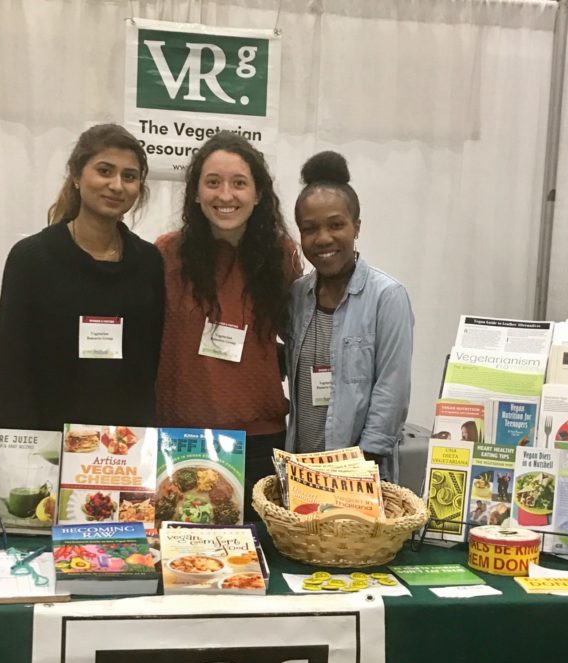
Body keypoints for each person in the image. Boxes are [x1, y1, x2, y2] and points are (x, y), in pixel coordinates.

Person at [155, 132, 301, 512]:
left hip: (258, 440)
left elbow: (300, 335)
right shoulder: (166, 256)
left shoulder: (281, 257)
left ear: (258, 194)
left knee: (252, 561)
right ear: (196, 193)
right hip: (181, 438)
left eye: (239, 183)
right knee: (180, 559)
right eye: (213, 182)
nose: (225, 195)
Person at [0, 124, 164, 430]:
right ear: (77, 176)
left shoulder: (148, 262)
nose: (117, 185)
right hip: (46, 446)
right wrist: (12, 458)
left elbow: (153, 365)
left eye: (129, 176)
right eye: (105, 171)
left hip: (125, 449)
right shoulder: (32, 258)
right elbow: (10, 368)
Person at [285, 151, 413, 482]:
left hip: (360, 476)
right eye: (310, 228)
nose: (323, 238)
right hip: (302, 472)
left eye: (336, 225)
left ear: (356, 227)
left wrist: (353, 474)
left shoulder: (387, 297)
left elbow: (392, 391)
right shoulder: (298, 295)